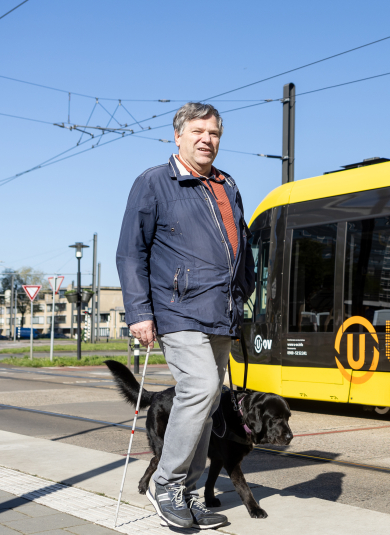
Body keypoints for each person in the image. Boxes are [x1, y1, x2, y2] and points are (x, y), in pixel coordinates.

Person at [117, 102, 255, 529]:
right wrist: (139, 311)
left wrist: (245, 293)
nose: (206, 139)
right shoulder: (154, 182)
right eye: (197, 131)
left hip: (221, 310)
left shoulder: (226, 184)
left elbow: (242, 246)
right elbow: (130, 251)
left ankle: (188, 493)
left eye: (214, 133)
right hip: (178, 309)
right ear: (177, 136)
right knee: (201, 387)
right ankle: (167, 483)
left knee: (211, 400)